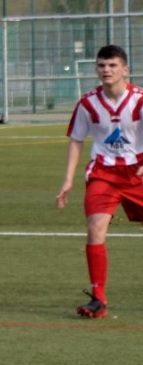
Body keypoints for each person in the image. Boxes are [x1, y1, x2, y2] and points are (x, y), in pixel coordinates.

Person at [56, 44, 143, 319]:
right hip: (102, 174)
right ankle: (98, 299)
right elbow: (76, 141)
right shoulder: (88, 103)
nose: (107, 70)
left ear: (125, 70)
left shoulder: (140, 100)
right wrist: (68, 180)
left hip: (137, 173)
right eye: (102, 65)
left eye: (113, 65)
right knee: (95, 227)